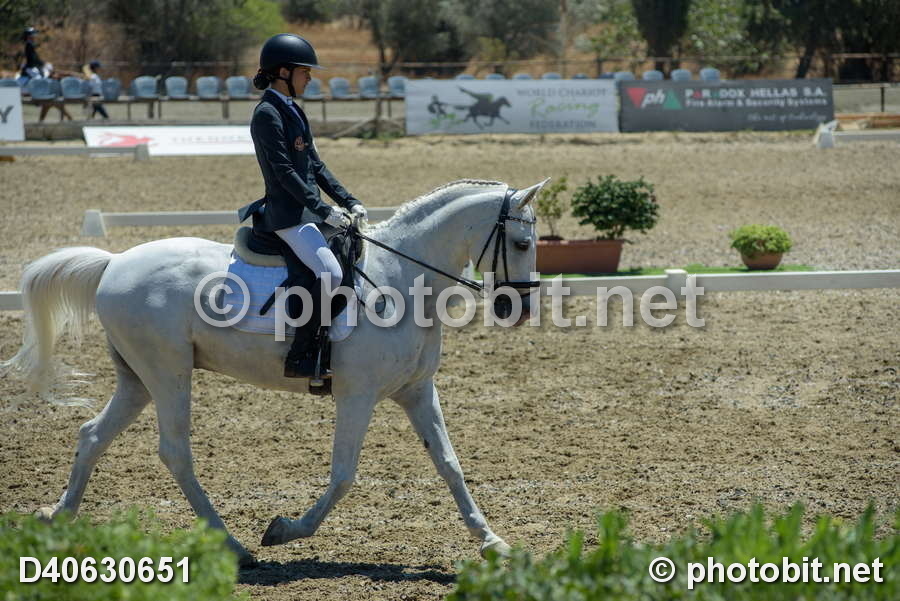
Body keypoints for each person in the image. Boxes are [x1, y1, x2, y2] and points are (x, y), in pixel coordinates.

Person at [239, 33, 367, 379]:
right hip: (287, 215)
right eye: (304, 72)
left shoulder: (293, 110)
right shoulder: (267, 114)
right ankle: (301, 354)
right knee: (330, 273)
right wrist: (324, 209)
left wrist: (349, 201)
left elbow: (315, 167)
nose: (310, 78)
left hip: (306, 211)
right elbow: (284, 173)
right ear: (283, 72)